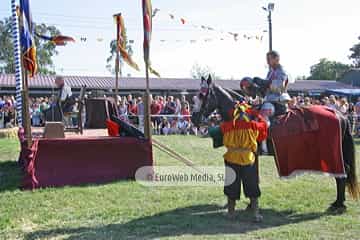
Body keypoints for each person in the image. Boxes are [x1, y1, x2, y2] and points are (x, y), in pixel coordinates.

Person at [220, 103, 268, 222]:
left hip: (232, 158)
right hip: (248, 159)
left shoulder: (226, 126)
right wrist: (259, 116)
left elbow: (221, 137)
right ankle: (256, 214)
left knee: (231, 185)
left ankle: (231, 213)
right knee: (252, 186)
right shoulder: (253, 126)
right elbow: (262, 133)